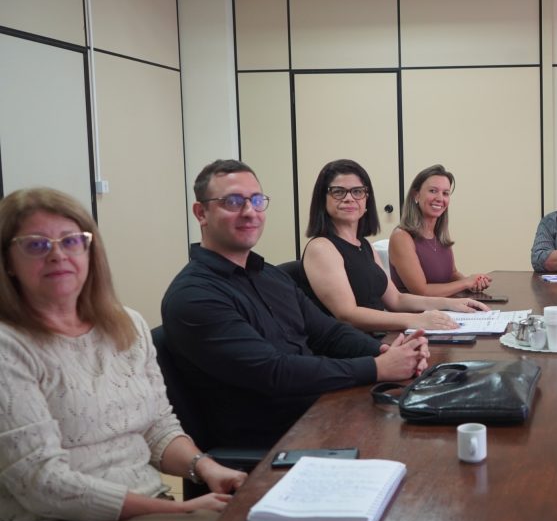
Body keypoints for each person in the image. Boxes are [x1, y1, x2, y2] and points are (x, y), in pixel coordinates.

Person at [0, 188, 247, 521]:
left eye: (71, 241)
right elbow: (43, 484)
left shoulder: (126, 325)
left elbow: (157, 427)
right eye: (37, 245)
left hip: (142, 515)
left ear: (89, 251)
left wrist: (206, 468)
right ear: (8, 262)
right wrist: (177, 510)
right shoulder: (9, 345)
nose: (58, 255)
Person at [161, 159, 429, 449]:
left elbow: (328, 333)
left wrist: (388, 353)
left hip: (323, 408)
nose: (249, 212)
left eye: (256, 200)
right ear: (201, 213)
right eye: (233, 202)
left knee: (432, 421)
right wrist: (377, 367)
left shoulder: (270, 276)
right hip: (276, 441)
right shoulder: (194, 296)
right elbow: (274, 372)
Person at [302, 159, 489, 332]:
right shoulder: (321, 248)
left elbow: (396, 300)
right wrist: (417, 320)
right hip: (355, 346)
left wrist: (450, 304)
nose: (349, 198)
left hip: (380, 336)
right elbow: (347, 315)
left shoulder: (364, 245)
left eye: (357, 192)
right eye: (338, 192)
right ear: (322, 199)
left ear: (366, 200)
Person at [389, 164, 493, 297]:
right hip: (415, 310)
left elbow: (452, 274)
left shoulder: (439, 235)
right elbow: (421, 291)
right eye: (433, 191)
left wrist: (474, 283)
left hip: (446, 306)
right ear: (416, 195)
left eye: (445, 193)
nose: (440, 198)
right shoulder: (401, 237)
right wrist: (466, 283)